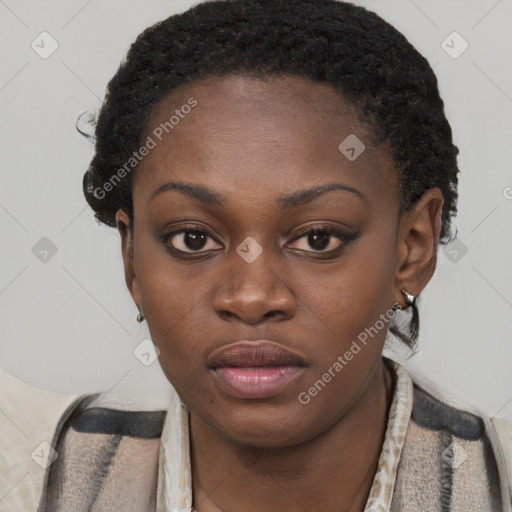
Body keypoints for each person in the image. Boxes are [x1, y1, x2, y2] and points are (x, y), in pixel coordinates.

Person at [1, 0, 511, 511]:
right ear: (131, 258)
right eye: (192, 239)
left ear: (412, 249)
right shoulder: (25, 475)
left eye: (318, 239)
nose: (250, 297)